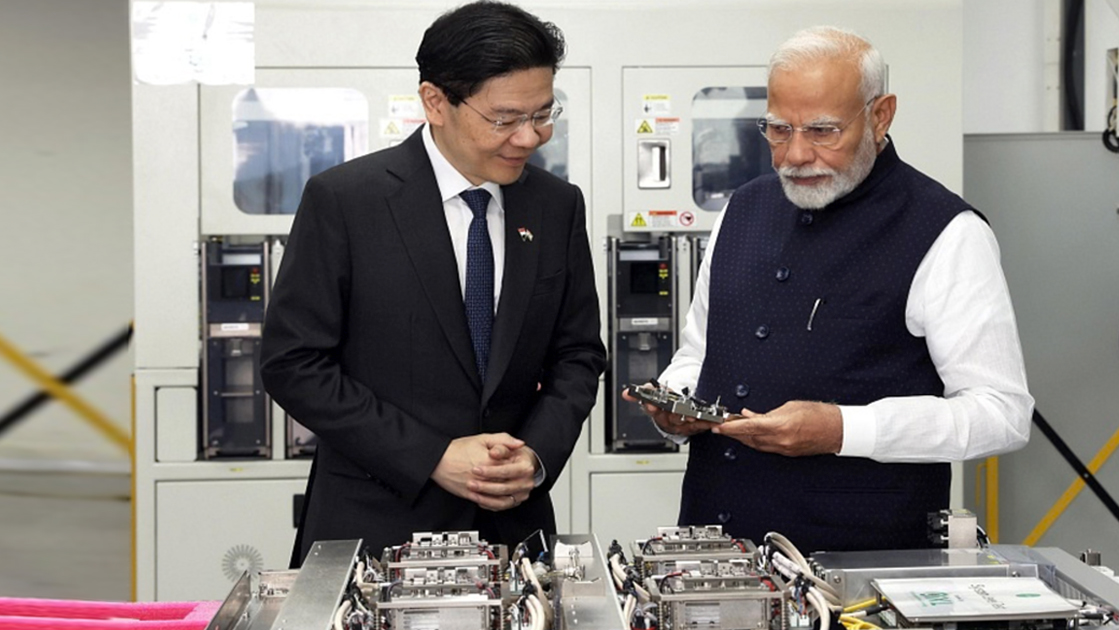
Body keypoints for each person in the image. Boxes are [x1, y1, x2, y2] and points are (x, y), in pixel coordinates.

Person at [625, 26, 1033, 552]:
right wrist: (677, 404)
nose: (794, 154)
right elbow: (700, 350)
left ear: (880, 116)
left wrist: (845, 429)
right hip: (712, 554)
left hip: (861, 568)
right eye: (777, 129)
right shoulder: (740, 210)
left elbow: (1002, 413)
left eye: (822, 131)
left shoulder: (946, 232)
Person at [261, 0, 605, 565]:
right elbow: (293, 364)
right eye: (505, 118)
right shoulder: (347, 200)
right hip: (375, 526)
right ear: (435, 101)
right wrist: (430, 456)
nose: (530, 137)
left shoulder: (555, 205)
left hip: (512, 532)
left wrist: (536, 457)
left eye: (543, 114)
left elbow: (578, 354)